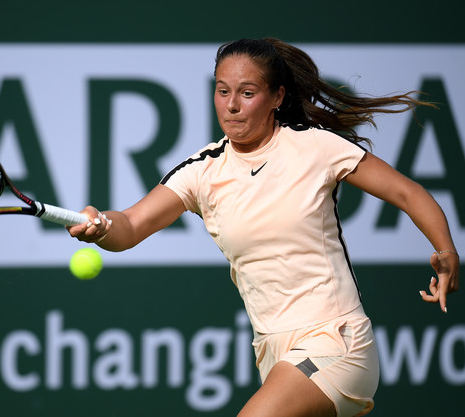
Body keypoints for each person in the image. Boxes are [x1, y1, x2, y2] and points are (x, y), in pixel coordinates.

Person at [67, 38, 460, 417]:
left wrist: (446, 252)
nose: (232, 106)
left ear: (277, 97)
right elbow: (131, 224)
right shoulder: (202, 171)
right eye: (222, 91)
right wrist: (101, 225)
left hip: (335, 341)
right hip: (273, 354)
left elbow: (408, 194)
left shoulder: (315, 147)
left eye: (247, 92)